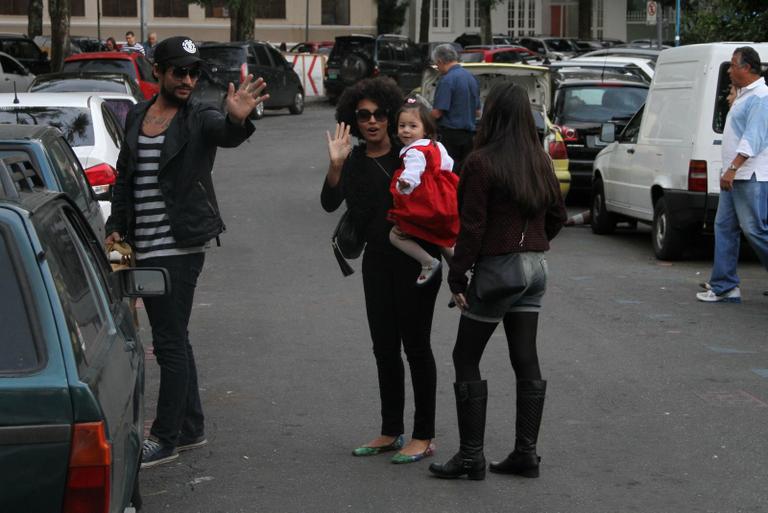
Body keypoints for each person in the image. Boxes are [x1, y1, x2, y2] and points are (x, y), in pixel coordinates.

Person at [105, 36, 268, 468]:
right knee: (175, 336)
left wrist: (237, 121)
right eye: (180, 71)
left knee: (169, 341)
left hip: (180, 246)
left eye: (195, 73)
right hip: (143, 244)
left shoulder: (200, 114)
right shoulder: (139, 114)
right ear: (158, 71)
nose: (188, 80)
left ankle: (165, 436)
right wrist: (116, 229)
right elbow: (125, 177)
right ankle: (191, 426)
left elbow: (224, 131)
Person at [429, 83, 566, 480]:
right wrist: (534, 246)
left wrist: (457, 274)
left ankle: (471, 456)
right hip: (536, 268)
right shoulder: (539, 160)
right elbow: (556, 215)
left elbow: (473, 227)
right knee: (525, 355)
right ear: (526, 116)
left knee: (465, 356)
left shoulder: (481, 162)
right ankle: (526, 453)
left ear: (490, 115)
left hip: (499, 270)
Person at [322, 78, 442, 464]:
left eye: (379, 114)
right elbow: (329, 203)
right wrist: (335, 164)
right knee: (384, 349)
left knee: (417, 348)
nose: (372, 121)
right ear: (353, 120)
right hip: (376, 263)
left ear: (390, 117)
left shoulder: (410, 155)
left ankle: (423, 435)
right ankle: (391, 430)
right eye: (363, 116)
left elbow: (443, 199)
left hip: (416, 261)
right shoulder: (354, 160)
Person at [697, 46, 768, 303]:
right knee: (725, 227)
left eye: (732, 65)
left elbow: (754, 139)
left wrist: (734, 167)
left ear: (746, 68)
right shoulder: (744, 95)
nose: (729, 70)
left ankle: (724, 284)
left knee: (755, 230)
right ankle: (725, 286)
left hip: (748, 176)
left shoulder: (761, 96)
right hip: (734, 176)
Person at [388, 98, 459, 286]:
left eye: (412, 126)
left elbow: (413, 170)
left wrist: (406, 184)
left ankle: (428, 262)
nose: (406, 130)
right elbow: (448, 165)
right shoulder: (436, 145)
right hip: (442, 196)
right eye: (402, 125)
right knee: (440, 236)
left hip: (424, 199)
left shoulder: (413, 151)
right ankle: (459, 270)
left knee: (396, 234)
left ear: (425, 129)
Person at [430, 43, 480, 173]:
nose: (437, 68)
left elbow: (437, 113)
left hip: (450, 137)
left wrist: (422, 116)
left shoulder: (447, 80)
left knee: (449, 175)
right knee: (465, 174)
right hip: (469, 137)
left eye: (436, 64)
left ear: (440, 61)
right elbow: (477, 112)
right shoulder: (471, 78)